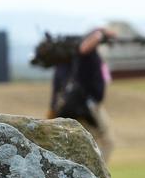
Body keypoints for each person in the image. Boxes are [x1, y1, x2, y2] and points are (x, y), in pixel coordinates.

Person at [49, 26, 116, 161]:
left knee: (92, 142)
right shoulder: (84, 51)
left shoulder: (70, 59)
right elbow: (85, 47)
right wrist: (100, 33)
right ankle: (94, 174)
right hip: (86, 106)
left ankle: (90, 172)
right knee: (103, 142)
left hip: (84, 105)